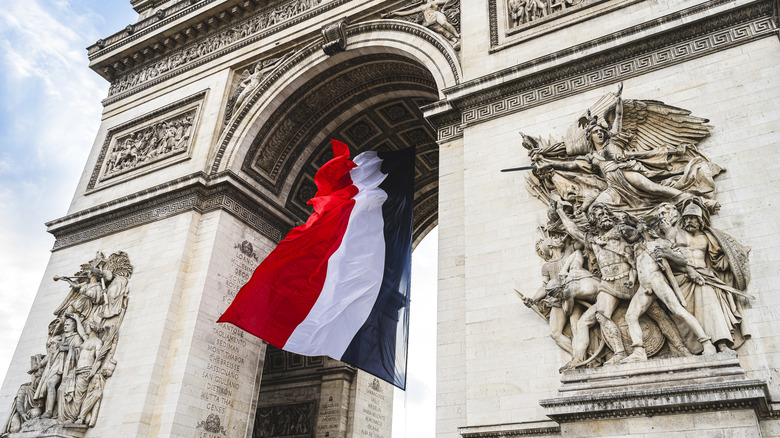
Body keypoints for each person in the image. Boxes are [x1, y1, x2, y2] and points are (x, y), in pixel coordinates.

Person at [619, 219, 717, 362]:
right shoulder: (637, 247)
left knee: (678, 311)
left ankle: (707, 343)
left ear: (646, 228)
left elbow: (682, 260)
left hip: (656, 280)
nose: (637, 228)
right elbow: (636, 268)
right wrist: (631, 280)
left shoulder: (662, 242)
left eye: (640, 225)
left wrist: (666, 254)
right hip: (644, 285)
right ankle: (639, 351)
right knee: (631, 316)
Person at [665, 202, 751, 353]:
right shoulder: (675, 233)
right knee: (685, 314)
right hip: (681, 278)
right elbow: (667, 253)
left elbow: (717, 261)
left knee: (711, 306)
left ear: (700, 220)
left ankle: (721, 344)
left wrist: (737, 256)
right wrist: (688, 269)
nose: (690, 221)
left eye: (694, 218)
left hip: (704, 277)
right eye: (687, 218)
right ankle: (696, 347)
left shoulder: (707, 238)